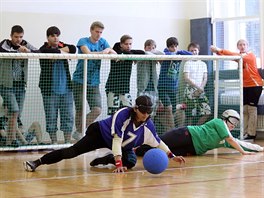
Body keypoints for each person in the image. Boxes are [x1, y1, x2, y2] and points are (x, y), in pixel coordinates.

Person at [23, 95, 185, 173]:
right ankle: (37, 162)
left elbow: (157, 142)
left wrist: (172, 156)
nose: (145, 115)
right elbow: (116, 139)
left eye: (148, 112)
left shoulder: (148, 125)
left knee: (131, 163)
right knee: (72, 152)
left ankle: (106, 159)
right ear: (136, 109)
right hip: (101, 135)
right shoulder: (123, 115)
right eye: (142, 111)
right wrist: (118, 164)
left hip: (122, 146)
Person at [135, 109, 263, 157]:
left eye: (236, 123)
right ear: (226, 117)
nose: (233, 125)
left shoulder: (227, 139)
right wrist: (243, 152)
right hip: (187, 134)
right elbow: (232, 140)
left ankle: (137, 153)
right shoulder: (219, 122)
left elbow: (241, 143)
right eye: (233, 120)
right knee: (157, 142)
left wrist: (260, 148)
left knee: (164, 152)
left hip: (193, 149)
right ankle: (132, 148)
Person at [72, 21, 116, 141]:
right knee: (80, 109)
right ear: (91, 30)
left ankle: (79, 131)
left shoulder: (103, 42)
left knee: (97, 109)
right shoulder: (83, 41)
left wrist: (109, 50)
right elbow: (88, 53)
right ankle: (79, 136)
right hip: (79, 80)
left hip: (94, 82)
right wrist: (104, 52)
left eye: (101, 32)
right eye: (97, 32)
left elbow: (114, 53)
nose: (99, 34)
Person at [211, 39, 263, 141]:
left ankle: (251, 134)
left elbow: (233, 55)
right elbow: (230, 56)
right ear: (238, 46)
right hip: (244, 86)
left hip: (254, 85)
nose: (242, 46)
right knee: (244, 109)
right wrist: (218, 53)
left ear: (247, 45)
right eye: (240, 45)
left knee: (252, 109)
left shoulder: (250, 55)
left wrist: (219, 49)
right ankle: (244, 133)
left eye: (244, 44)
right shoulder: (239, 57)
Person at [0, 25, 39, 147]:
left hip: (20, 85)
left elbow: (39, 51)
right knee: (14, 110)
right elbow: (3, 51)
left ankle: (10, 141)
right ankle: (11, 140)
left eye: (21, 37)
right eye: (16, 37)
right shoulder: (4, 43)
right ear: (11, 36)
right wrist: (18, 51)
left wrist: (27, 51)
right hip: (6, 84)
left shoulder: (25, 44)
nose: (18, 39)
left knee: (17, 113)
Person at [39, 26, 76, 144]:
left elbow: (73, 48)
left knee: (68, 117)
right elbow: (47, 52)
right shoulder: (43, 48)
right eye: (52, 36)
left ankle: (67, 142)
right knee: (51, 117)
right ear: (47, 37)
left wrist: (61, 50)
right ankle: (54, 143)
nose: (56, 38)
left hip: (66, 89)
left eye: (57, 35)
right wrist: (62, 51)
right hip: (49, 90)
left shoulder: (62, 45)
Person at [157, 37, 192, 132]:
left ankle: (170, 129)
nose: (174, 48)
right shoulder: (165, 54)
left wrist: (179, 51)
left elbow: (191, 54)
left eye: (176, 46)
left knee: (173, 110)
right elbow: (168, 54)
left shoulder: (179, 54)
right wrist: (172, 52)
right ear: (168, 47)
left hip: (174, 88)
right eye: (172, 47)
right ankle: (173, 130)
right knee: (168, 108)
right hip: (163, 86)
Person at [105, 34, 145, 115]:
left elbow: (142, 52)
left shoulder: (130, 54)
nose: (128, 46)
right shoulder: (115, 53)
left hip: (125, 89)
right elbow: (116, 48)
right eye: (126, 44)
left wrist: (131, 55)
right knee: (114, 114)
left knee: (129, 113)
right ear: (121, 44)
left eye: (130, 44)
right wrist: (127, 54)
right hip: (113, 88)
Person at [183, 42, 211, 125]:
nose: (193, 52)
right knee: (190, 114)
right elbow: (186, 78)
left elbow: (205, 78)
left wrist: (201, 88)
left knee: (207, 112)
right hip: (190, 91)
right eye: (191, 51)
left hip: (201, 90)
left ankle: (197, 129)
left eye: (195, 50)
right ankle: (189, 132)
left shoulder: (203, 64)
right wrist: (196, 87)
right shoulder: (187, 63)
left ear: (198, 51)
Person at [137, 39, 163, 116]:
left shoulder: (154, 57)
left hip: (153, 88)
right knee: (141, 111)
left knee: (151, 112)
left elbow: (163, 54)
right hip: (143, 88)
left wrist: (153, 51)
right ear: (144, 48)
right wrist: (152, 52)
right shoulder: (142, 55)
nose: (151, 49)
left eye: (153, 48)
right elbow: (147, 54)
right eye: (149, 47)